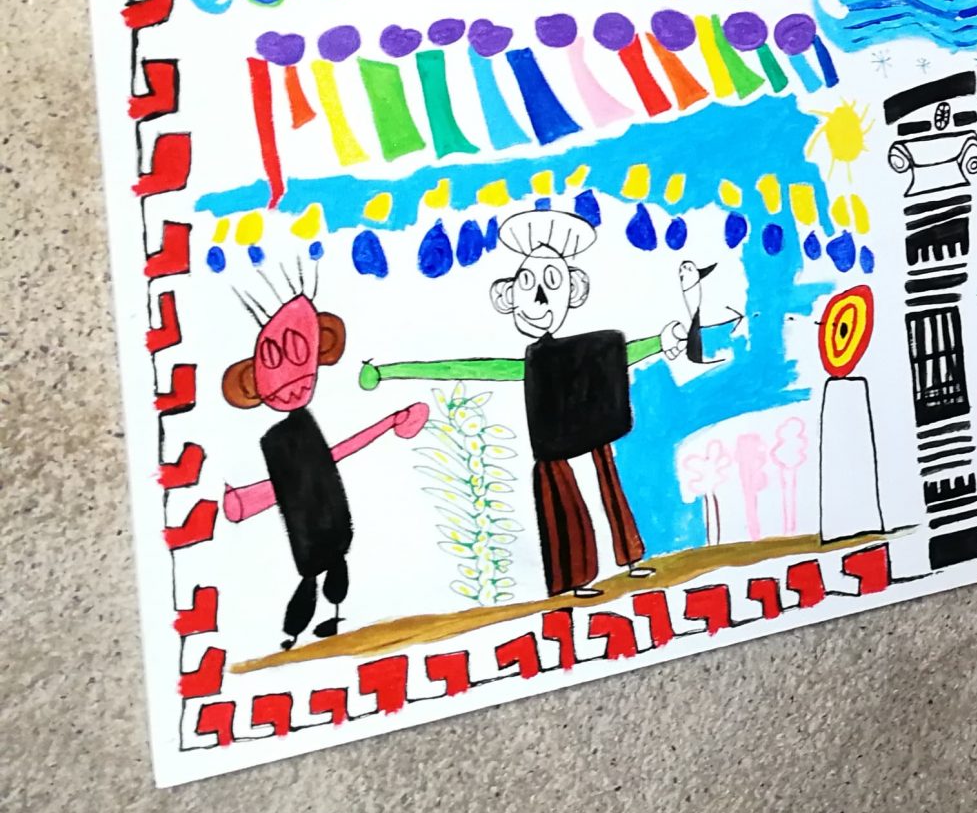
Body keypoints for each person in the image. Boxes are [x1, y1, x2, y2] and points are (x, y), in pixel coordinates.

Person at [362, 203, 685, 599]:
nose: (540, 297)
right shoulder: (533, 362)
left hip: (590, 439)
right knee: (565, 505)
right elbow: (469, 368)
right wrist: (391, 371)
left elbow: (627, 353)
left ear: (575, 289)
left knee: (605, 488)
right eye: (527, 282)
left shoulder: (593, 350)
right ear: (507, 295)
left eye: (552, 281)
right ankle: (576, 581)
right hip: (554, 447)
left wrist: (662, 341)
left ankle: (629, 561)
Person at [219, 277, 428, 648]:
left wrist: (388, 423)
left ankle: (330, 619)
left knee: (333, 563)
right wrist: (246, 500)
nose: (294, 383)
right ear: (250, 382)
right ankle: (294, 632)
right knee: (314, 572)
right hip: (309, 524)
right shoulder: (278, 440)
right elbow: (285, 485)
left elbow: (339, 453)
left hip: (329, 518)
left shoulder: (302, 428)